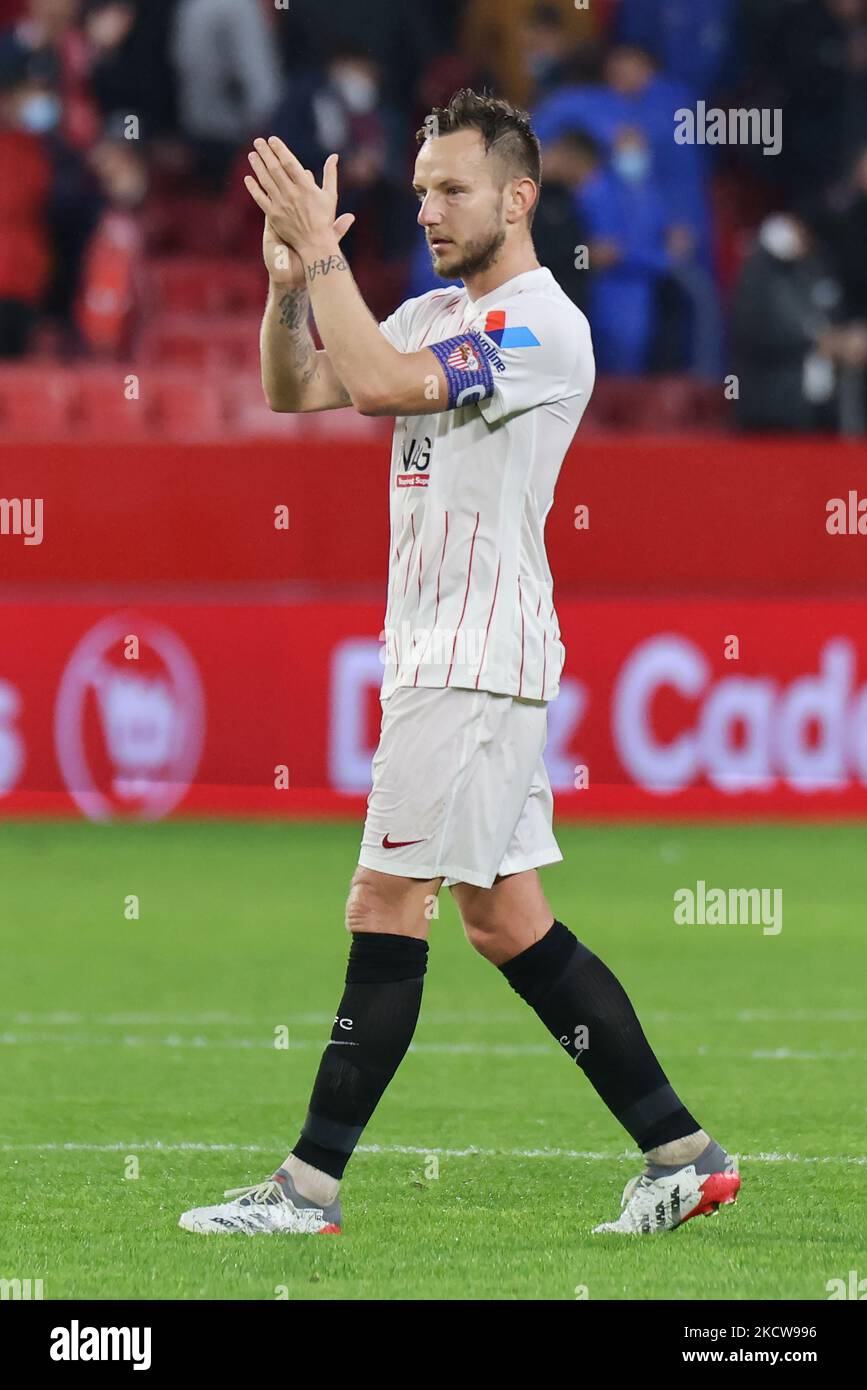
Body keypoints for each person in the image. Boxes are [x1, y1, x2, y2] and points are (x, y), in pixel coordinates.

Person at [178, 89, 741, 1239]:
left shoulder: (544, 325)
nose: (429, 208)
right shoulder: (433, 309)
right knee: (507, 919)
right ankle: (683, 1153)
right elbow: (300, 388)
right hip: (446, 652)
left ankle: (307, 1188)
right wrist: (294, 283)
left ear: (517, 198)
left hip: (472, 654)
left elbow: (382, 387)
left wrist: (327, 260)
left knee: (386, 896)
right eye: (423, 187)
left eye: (454, 189)